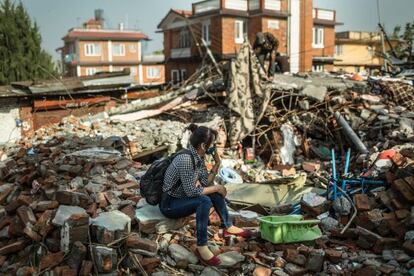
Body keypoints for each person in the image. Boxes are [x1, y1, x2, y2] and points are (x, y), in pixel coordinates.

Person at [159, 124, 251, 266]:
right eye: (212, 144)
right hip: (170, 205)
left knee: (215, 192)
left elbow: (205, 183)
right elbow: (192, 191)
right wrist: (217, 187)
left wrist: (217, 164)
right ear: (203, 145)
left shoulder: (198, 158)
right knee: (204, 201)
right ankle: (201, 246)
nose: (214, 147)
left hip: (182, 197)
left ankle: (228, 226)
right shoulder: (186, 159)